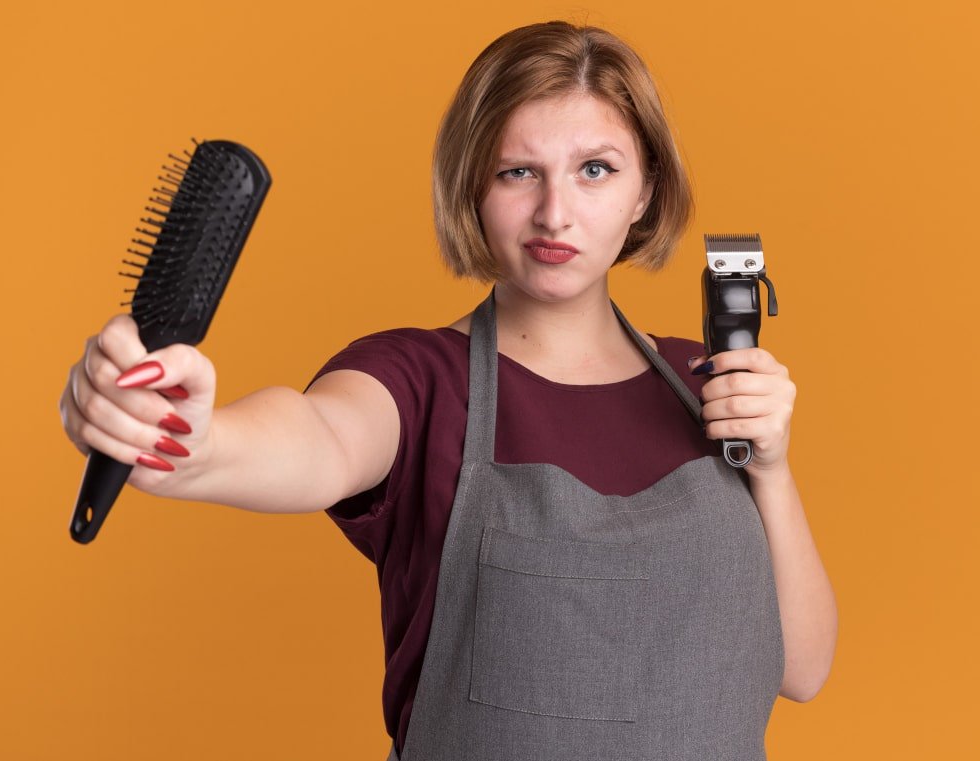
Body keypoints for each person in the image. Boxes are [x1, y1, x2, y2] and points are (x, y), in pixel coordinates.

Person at [59, 21, 837, 760]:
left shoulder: (710, 386)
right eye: (517, 171)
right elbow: (319, 438)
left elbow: (799, 667)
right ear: (472, 188)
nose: (554, 212)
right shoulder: (419, 379)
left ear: (643, 193)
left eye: (595, 168)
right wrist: (198, 446)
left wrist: (769, 465)